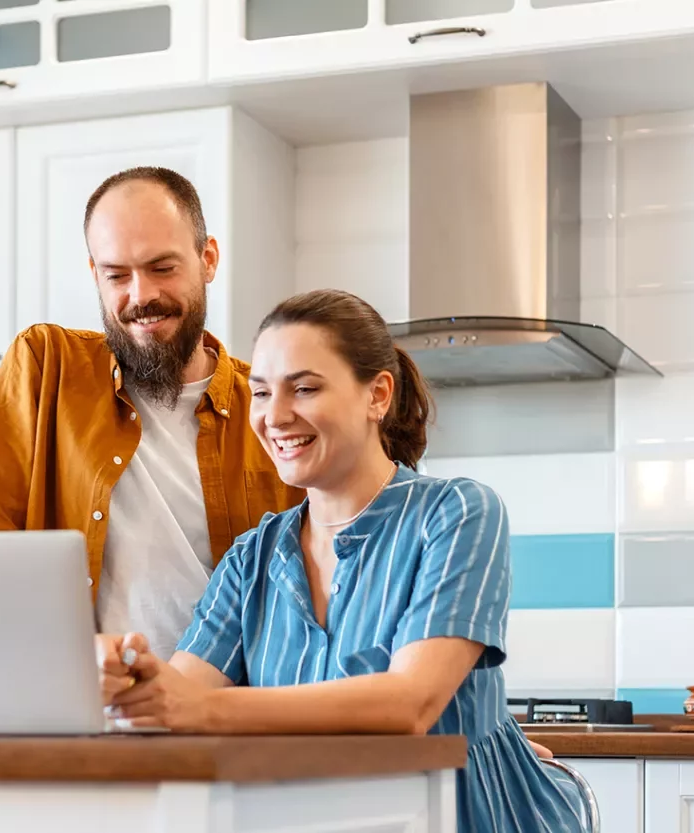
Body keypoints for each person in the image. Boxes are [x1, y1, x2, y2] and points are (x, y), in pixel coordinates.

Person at [97, 289, 588, 832]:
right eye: (261, 393)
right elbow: (180, 694)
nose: (275, 416)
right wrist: (125, 680)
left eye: (304, 388)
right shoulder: (252, 558)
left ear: (377, 395)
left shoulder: (456, 514)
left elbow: (409, 704)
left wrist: (195, 708)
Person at [0, 166, 302, 661]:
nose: (141, 296)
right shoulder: (45, 367)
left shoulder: (269, 408)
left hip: (225, 702)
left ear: (208, 259)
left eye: (162, 268)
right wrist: (67, 659)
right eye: (117, 275)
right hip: (75, 699)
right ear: (95, 274)